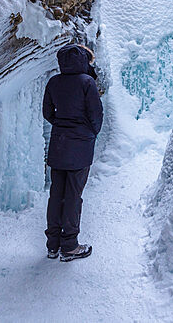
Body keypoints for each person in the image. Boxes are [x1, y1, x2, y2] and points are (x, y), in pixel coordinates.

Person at [42, 43, 103, 262]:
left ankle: (52, 246)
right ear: (84, 61)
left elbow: (47, 112)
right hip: (80, 146)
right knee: (73, 196)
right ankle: (70, 247)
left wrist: (61, 125)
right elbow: (96, 115)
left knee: (56, 195)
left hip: (58, 143)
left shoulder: (54, 82)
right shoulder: (87, 82)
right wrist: (88, 132)